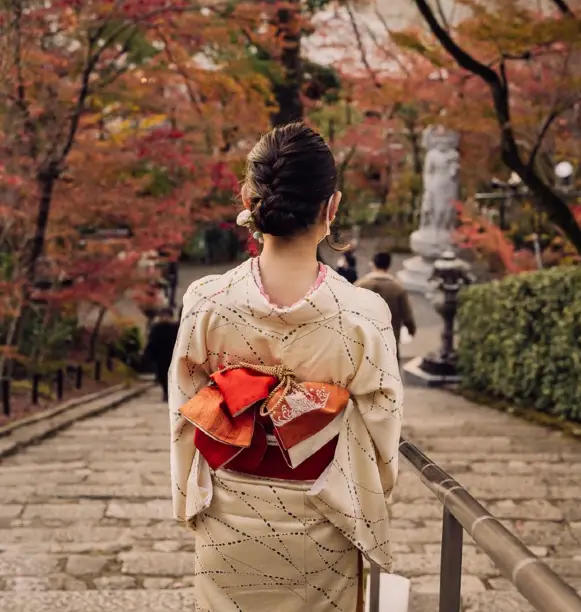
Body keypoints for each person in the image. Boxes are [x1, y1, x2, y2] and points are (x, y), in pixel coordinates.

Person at [169, 123, 402, 612]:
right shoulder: (363, 315)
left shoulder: (206, 301)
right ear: (331, 207)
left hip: (227, 520)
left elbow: (185, 415)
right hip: (324, 517)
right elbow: (382, 433)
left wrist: (184, 497)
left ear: (249, 199)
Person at [356, 252, 417, 362]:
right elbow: (407, 315)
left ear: (373, 264)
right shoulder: (398, 288)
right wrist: (411, 329)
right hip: (390, 338)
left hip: (365, 339)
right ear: (388, 266)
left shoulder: (360, 285)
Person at [144, 307, 179, 401]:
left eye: (167, 316)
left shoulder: (175, 327)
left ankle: (170, 392)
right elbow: (151, 342)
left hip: (173, 356)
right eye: (163, 316)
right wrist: (148, 355)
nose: (165, 318)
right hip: (160, 356)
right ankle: (165, 391)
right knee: (162, 375)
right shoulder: (156, 328)